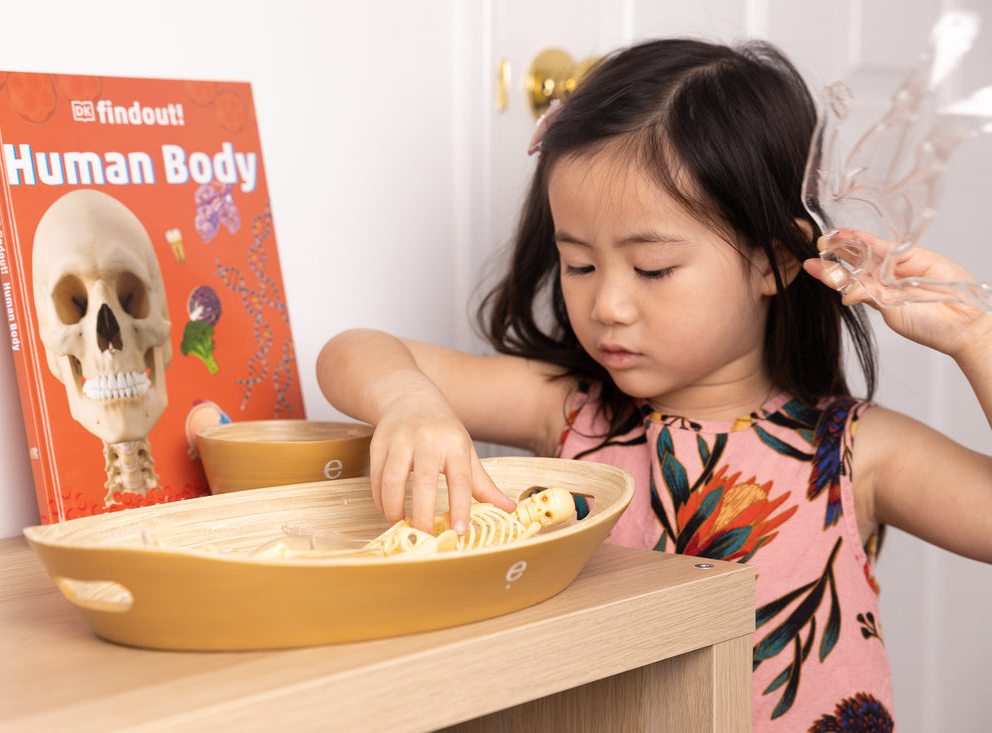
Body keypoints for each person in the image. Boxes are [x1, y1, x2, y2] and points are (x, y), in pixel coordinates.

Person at [316, 38, 992, 731]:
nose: (608, 304)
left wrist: (975, 337)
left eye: (653, 269)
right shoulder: (569, 411)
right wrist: (409, 400)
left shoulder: (855, 453)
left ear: (774, 262)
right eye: (580, 266)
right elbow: (350, 352)